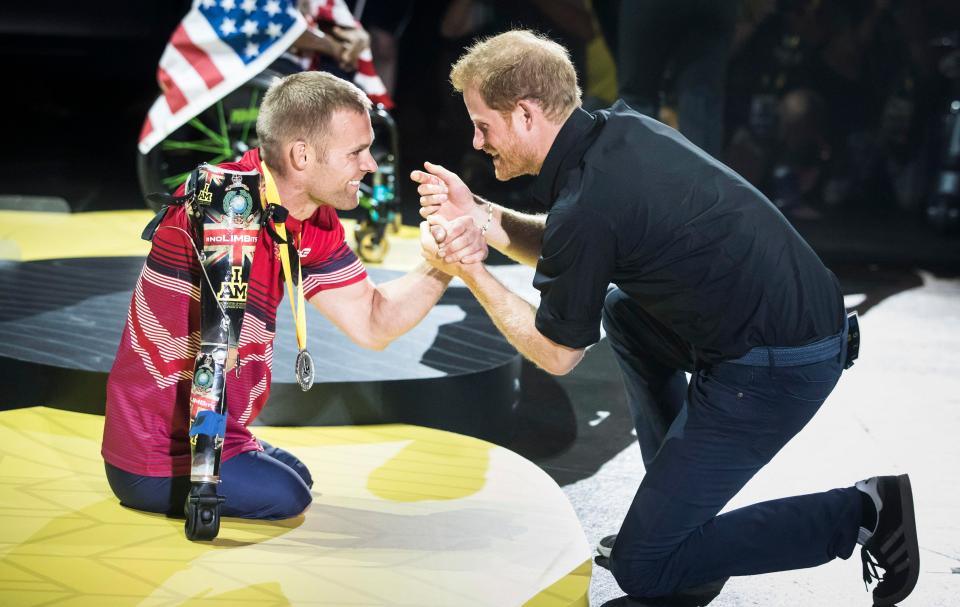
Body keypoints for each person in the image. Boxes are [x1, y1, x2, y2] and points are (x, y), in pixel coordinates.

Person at [412, 30, 919, 606]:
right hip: (776, 331)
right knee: (622, 311)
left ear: (526, 114)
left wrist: (469, 269)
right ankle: (675, 519)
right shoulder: (623, 133)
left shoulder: (589, 206)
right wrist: (478, 216)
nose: (477, 142)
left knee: (646, 567)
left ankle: (864, 512)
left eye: (483, 125)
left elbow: (557, 352)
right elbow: (573, 244)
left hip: (776, 367)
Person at [102, 71, 485, 521]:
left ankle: (237, 450)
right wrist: (204, 492)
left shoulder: (310, 216)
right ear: (301, 155)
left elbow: (373, 323)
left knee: (297, 477)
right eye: (356, 152)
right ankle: (205, 470)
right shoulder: (227, 205)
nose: (370, 165)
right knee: (288, 497)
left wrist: (442, 263)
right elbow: (213, 357)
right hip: (158, 454)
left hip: (223, 427)